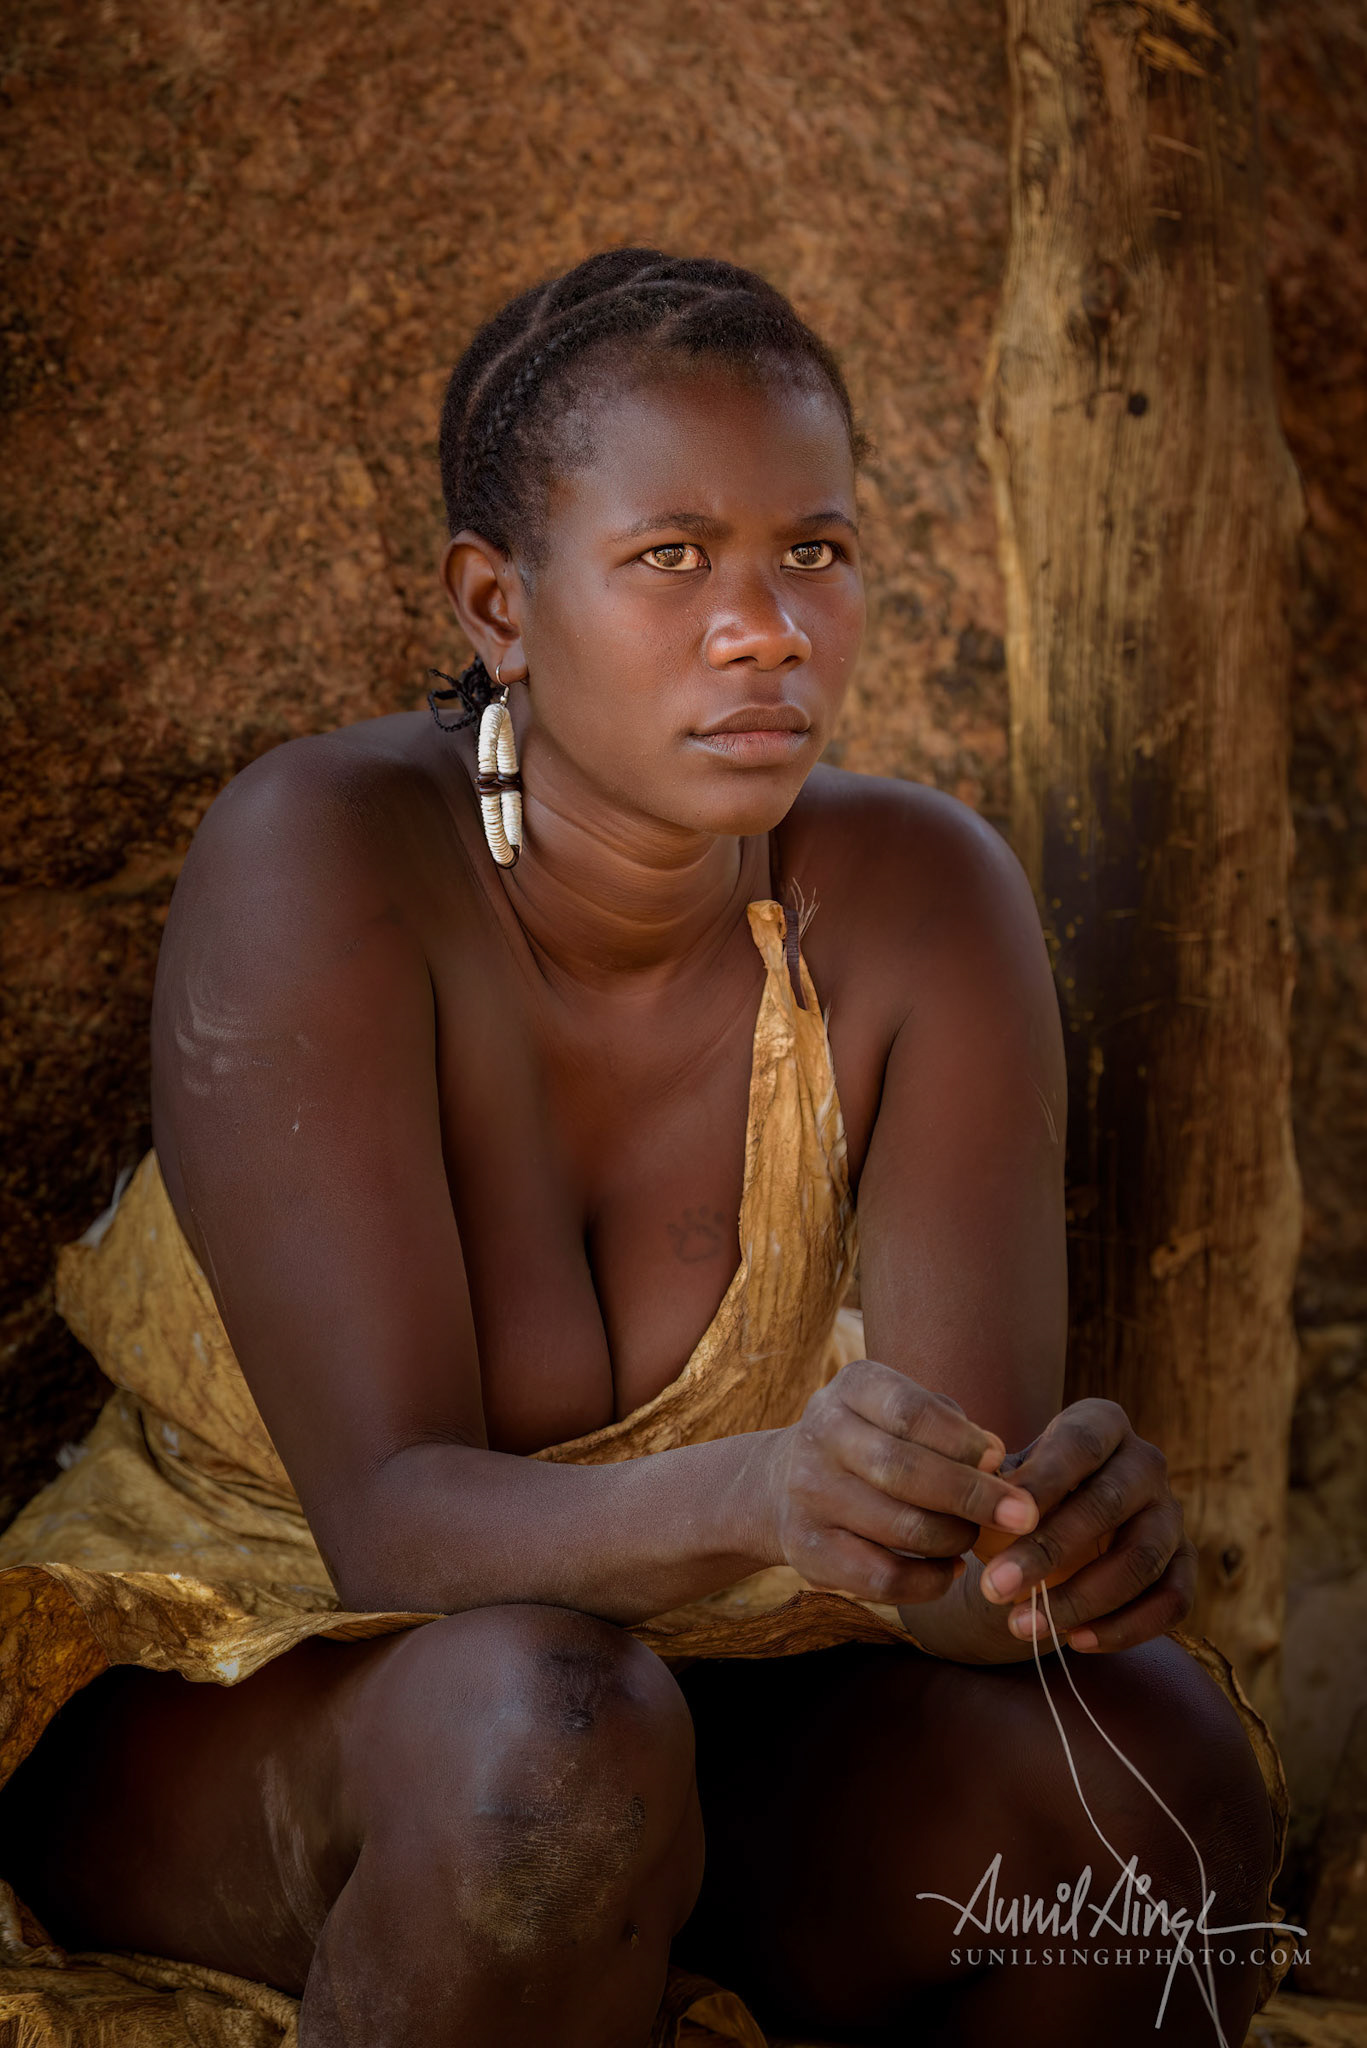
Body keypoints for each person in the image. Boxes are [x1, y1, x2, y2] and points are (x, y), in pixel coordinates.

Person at [0, 250, 1288, 2048]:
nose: (766, 626)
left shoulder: (925, 903)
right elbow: (383, 1526)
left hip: (714, 1693)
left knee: (1147, 1775)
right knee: (552, 1743)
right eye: (675, 559)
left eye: (814, 554)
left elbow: (943, 1594)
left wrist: (1040, 1563)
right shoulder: (324, 860)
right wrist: (770, 1493)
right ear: (496, 605)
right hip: (271, 1678)